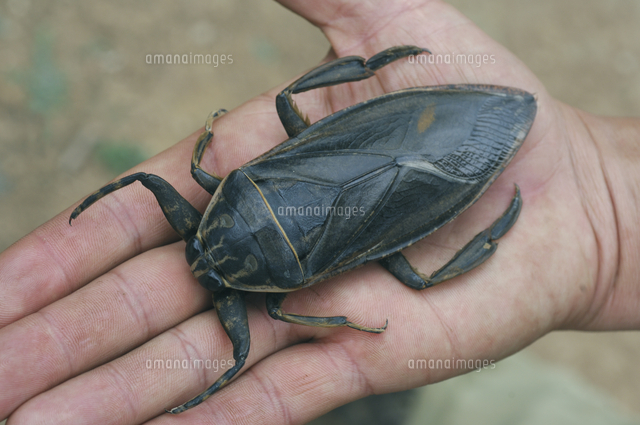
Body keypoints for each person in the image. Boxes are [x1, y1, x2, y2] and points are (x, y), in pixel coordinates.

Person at [1, 0, 639, 423]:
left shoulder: (273, 294)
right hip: (382, 140)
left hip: (385, 193)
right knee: (410, 272)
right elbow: (154, 180)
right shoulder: (230, 211)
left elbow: (247, 332)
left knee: (419, 278)